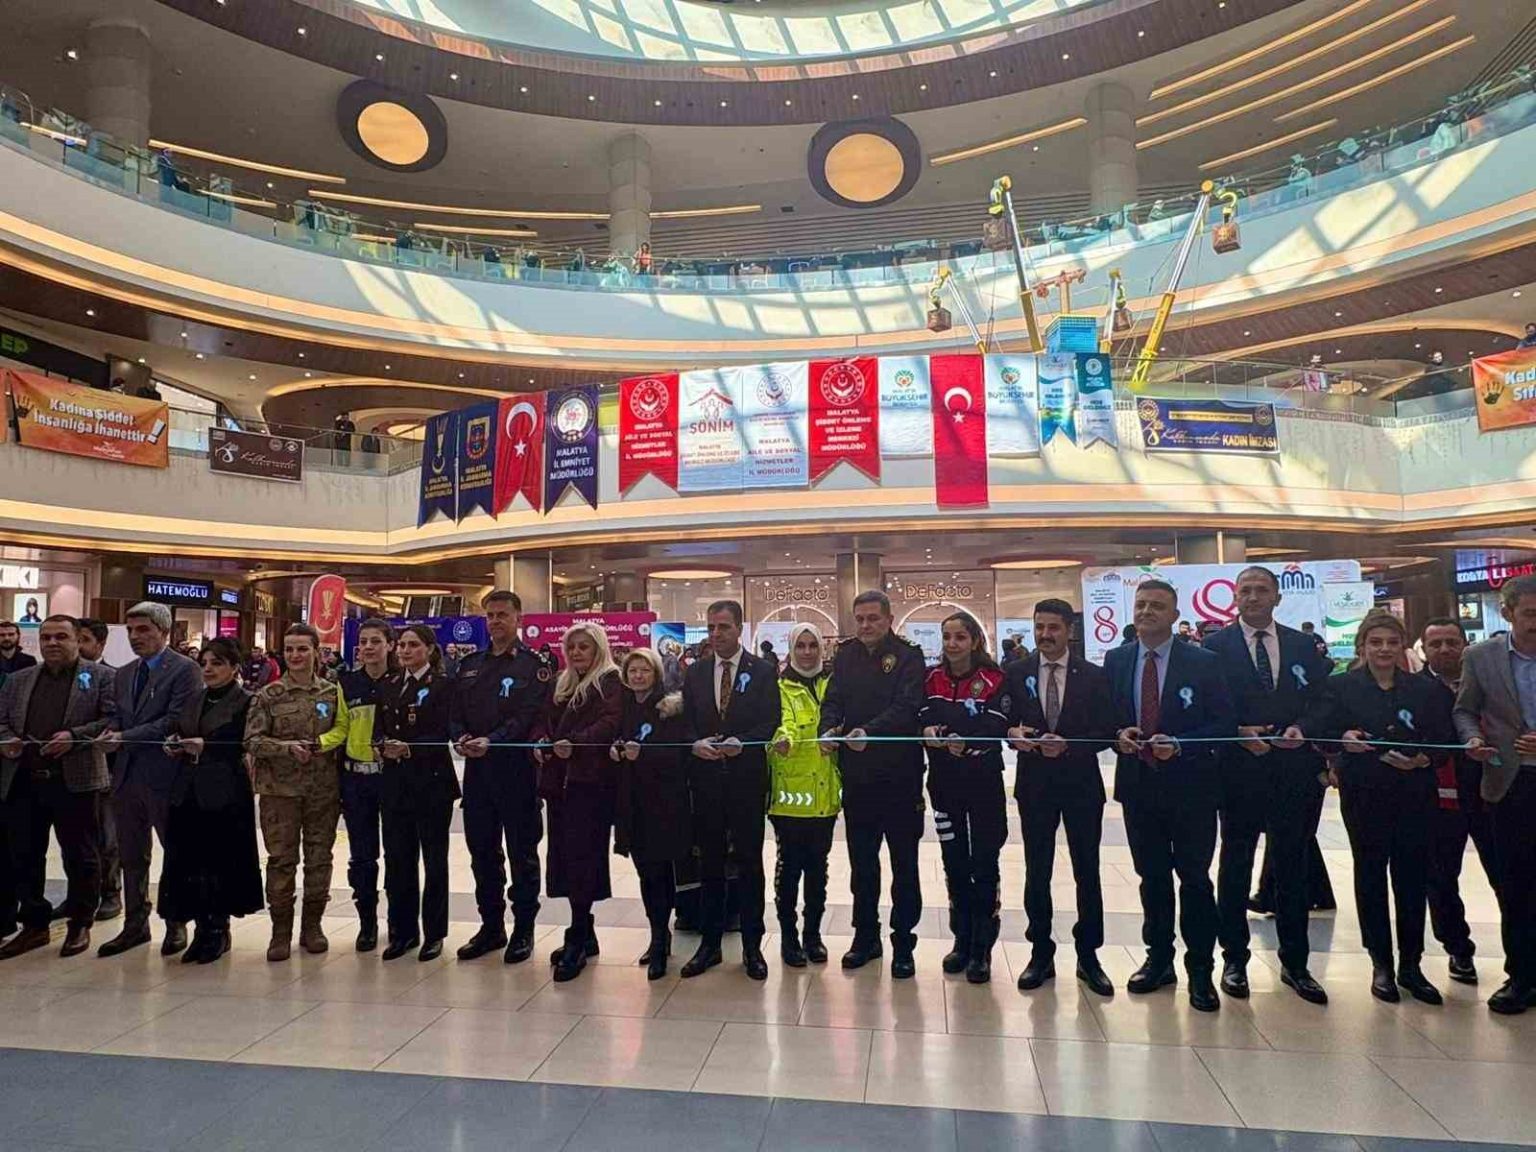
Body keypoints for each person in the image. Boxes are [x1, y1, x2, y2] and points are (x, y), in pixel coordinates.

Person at [1202, 567, 1333, 1005]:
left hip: (1293, 771)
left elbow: (1323, 700)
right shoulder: (1214, 647)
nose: (1253, 597)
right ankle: (1234, 959)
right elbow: (1206, 707)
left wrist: (1302, 728)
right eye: (1246, 591)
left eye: (1262, 590)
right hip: (1238, 772)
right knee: (1235, 865)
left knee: (1292, 867)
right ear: (1234, 597)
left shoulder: (1302, 645)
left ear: (1277, 597)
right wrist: (1237, 731)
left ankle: (1296, 963)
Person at [1105, 579, 1234, 1012]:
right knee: (1152, 877)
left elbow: (1224, 724)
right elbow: (1107, 718)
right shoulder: (1118, 659)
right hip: (1139, 787)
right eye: (1141, 604)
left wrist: (1180, 744)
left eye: (1157, 606)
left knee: (1195, 880)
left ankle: (1201, 969)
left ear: (1175, 615)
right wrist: (1119, 734)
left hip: (1192, 789)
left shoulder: (1203, 662)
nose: (1147, 612)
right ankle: (1158, 959)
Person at [1316, 611, 1451, 1005]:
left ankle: (1411, 963)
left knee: (1412, 876)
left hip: (1414, 792)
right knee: (1370, 873)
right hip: (1365, 793)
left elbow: (1444, 739)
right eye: (1376, 642)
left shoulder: (1425, 689)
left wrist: (1423, 758)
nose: (1384, 649)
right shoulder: (1340, 687)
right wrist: (1344, 738)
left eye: (1392, 642)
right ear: (1363, 646)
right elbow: (1323, 732)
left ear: (1403, 646)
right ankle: (1381, 963)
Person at [1006, 598, 1115, 997]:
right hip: (1034, 785)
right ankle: (1040, 952)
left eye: (1053, 627)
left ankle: (1089, 955)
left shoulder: (1093, 676)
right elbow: (1005, 721)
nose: (1045, 635)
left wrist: (1070, 745)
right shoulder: (1016, 672)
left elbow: (1107, 731)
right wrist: (1013, 735)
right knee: (1038, 870)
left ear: (1069, 630)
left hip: (1081, 783)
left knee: (1087, 869)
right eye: (1039, 627)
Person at [819, 590, 926, 977]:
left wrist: (870, 731)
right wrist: (827, 728)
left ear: (889, 619)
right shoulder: (846, 655)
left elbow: (908, 706)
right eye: (860, 618)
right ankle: (866, 936)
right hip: (858, 776)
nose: (865, 625)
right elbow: (833, 699)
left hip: (900, 777)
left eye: (873, 618)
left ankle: (904, 942)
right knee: (862, 864)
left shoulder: (909, 656)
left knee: (904, 865)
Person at [0, 615, 114, 958]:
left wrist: (75, 736)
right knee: (24, 854)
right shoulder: (19, 680)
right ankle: (34, 924)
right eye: (46, 637)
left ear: (77, 640)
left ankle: (80, 922)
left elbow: (112, 719)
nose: (52, 643)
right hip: (25, 779)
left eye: (61, 637)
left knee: (81, 856)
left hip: (76, 781)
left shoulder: (101, 677)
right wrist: (7, 739)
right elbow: (1, 720)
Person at [679, 600, 780, 981]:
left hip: (746, 781)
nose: (716, 634)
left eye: (723, 626)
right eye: (711, 627)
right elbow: (686, 722)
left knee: (750, 863)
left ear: (739, 628)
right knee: (709, 863)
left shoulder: (763, 671)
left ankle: (752, 946)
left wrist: (745, 742)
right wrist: (694, 743)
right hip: (706, 782)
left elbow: (771, 721)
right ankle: (710, 944)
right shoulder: (696, 671)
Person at [451, 591, 553, 964]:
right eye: (490, 615)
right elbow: (455, 711)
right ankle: (491, 927)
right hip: (478, 776)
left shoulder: (534, 666)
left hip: (518, 773)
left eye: (503, 615)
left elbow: (529, 715)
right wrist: (460, 736)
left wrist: (492, 740)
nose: (495, 621)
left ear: (518, 618)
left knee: (522, 855)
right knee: (482, 854)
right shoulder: (470, 665)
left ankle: (523, 929)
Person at [97, 601, 201, 958]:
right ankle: (135, 924)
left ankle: (177, 921)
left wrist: (124, 736)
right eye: (130, 630)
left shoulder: (185, 670)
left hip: (167, 775)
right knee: (131, 855)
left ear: (164, 632)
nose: (135, 637)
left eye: (143, 630)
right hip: (127, 776)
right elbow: (117, 716)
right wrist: (110, 732)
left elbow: (175, 720)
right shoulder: (124, 673)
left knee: (175, 852)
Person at [1455, 572, 1536, 1015]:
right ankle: (1520, 976)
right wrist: (1472, 739)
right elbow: (1465, 710)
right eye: (1529, 614)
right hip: (1508, 782)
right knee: (1514, 883)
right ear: (1507, 613)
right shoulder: (1481, 656)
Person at [244, 623, 348, 961]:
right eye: (289, 649)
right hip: (279, 793)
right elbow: (252, 741)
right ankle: (280, 931)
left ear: (317, 652)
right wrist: (285, 748)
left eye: (302, 649)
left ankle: (312, 926)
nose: (295, 655)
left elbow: (342, 732)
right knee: (281, 861)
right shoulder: (268, 695)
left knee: (319, 860)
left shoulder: (332, 692)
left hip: (322, 792)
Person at [918, 612, 1009, 984]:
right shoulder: (931, 679)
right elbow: (920, 717)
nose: (952, 644)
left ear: (974, 641)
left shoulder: (994, 679)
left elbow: (996, 725)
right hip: (944, 786)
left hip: (984, 784)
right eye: (947, 637)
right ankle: (962, 939)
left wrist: (965, 739)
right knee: (954, 862)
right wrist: (928, 731)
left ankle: (982, 947)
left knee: (984, 862)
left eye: (960, 637)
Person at [159, 637, 262, 964]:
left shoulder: (247, 701)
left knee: (220, 860)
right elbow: (180, 727)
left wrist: (208, 746)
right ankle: (201, 927)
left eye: (217, 663)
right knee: (190, 860)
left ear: (234, 667)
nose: (208, 669)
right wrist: (175, 743)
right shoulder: (195, 699)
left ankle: (217, 929)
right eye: (204, 663)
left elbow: (247, 742)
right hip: (188, 789)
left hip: (224, 792)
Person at [535, 622, 623, 982]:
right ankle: (584, 932)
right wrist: (542, 741)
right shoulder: (562, 682)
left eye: (584, 647)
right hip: (561, 784)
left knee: (584, 859)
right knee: (565, 857)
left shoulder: (610, 681)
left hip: (590, 784)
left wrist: (575, 742)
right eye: (571, 647)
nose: (576, 653)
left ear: (598, 648)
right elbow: (543, 720)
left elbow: (611, 722)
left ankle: (578, 934)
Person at [1420, 616, 1497, 986]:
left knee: (1508, 873)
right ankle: (1457, 947)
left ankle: (1523, 953)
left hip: (1491, 792)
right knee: (1440, 877)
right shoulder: (1414, 689)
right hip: (1438, 796)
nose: (1445, 650)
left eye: (1452, 642)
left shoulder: (1487, 682)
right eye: (1435, 644)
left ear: (1464, 645)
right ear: (1424, 649)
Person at [376, 625, 458, 962]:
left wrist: (409, 748)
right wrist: (382, 744)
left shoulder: (443, 686)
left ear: (429, 649)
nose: (405, 651)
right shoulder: (390, 684)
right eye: (402, 645)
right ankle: (403, 931)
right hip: (395, 784)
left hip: (432, 783)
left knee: (434, 861)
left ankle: (434, 933)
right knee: (398, 859)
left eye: (413, 645)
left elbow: (445, 732)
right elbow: (379, 726)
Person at [611, 647, 691, 980]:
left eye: (644, 670)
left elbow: (678, 756)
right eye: (633, 671)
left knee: (660, 871)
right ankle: (658, 932)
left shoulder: (668, 709)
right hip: (632, 803)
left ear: (656, 673)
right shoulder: (622, 707)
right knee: (645, 872)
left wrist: (643, 754)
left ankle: (660, 939)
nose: (638, 676)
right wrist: (616, 751)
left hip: (663, 803)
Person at [767, 624, 839, 968]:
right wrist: (782, 738)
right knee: (789, 867)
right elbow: (782, 723)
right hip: (790, 795)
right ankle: (788, 936)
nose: (807, 652)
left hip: (825, 791)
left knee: (817, 868)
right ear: (791, 649)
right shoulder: (779, 687)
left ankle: (813, 935)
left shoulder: (833, 684)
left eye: (812, 645)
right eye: (801, 646)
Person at [337, 619, 396, 952]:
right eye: (363, 641)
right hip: (356, 780)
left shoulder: (400, 681)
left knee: (398, 853)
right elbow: (339, 729)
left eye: (376, 641)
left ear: (390, 645)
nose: (368, 647)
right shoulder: (346, 684)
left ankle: (399, 921)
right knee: (362, 855)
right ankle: (367, 922)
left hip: (393, 779)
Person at [74, 618, 122, 922]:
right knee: (77, 839)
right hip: (69, 771)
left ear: (101, 644)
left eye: (85, 640)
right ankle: (79, 896)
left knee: (107, 837)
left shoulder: (112, 678)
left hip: (105, 768)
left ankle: (111, 892)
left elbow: (114, 720)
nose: (78, 646)